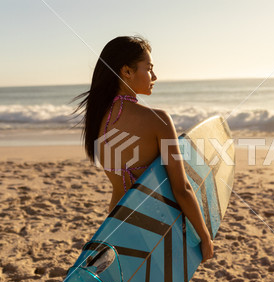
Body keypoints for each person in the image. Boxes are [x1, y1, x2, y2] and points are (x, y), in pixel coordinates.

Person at [73, 36, 213, 263]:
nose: (154, 77)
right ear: (127, 71)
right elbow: (182, 188)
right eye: (149, 69)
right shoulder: (159, 120)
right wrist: (205, 236)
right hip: (153, 228)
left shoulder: (97, 117)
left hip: (115, 224)